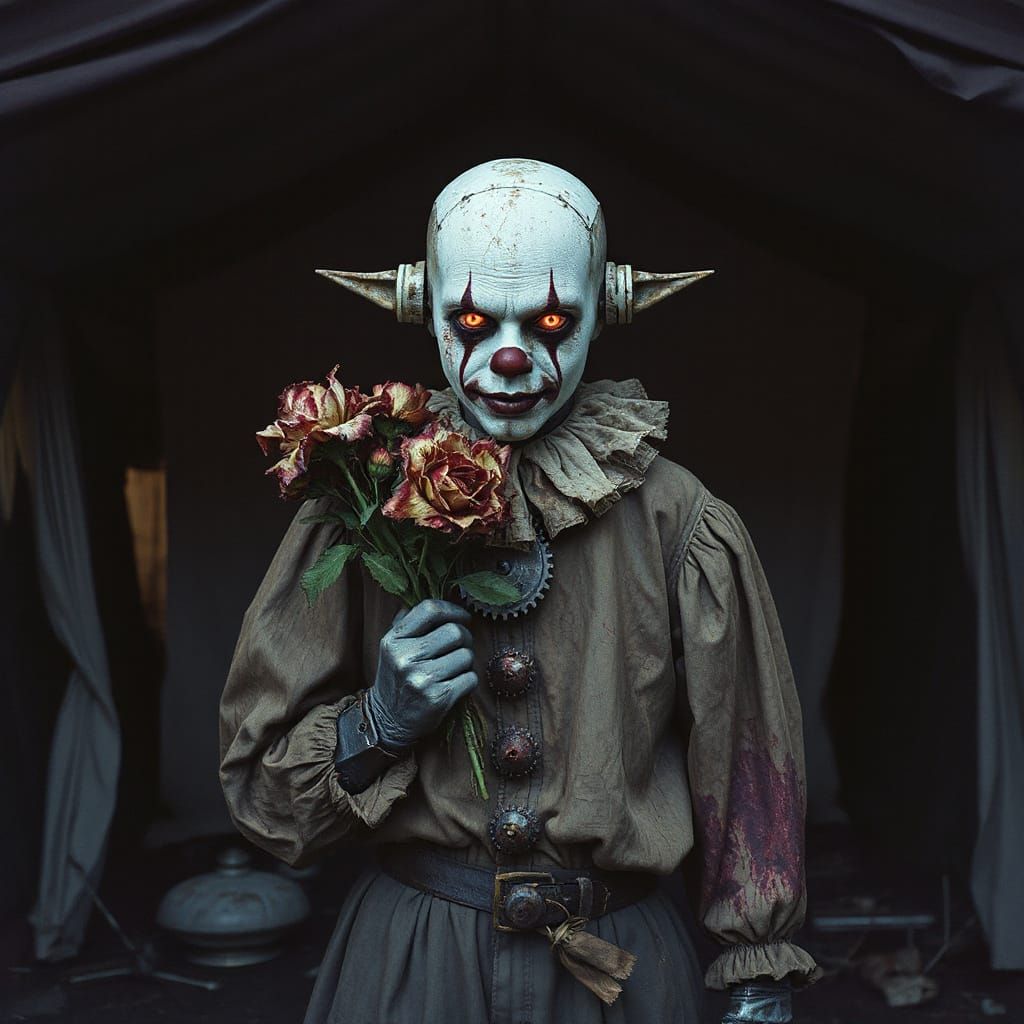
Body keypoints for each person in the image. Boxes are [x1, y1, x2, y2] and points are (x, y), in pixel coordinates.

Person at [219, 158, 818, 1023]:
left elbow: (747, 755)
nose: (508, 358)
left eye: (548, 320)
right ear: (422, 309)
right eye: (471, 319)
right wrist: (377, 724)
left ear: (603, 310)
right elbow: (264, 802)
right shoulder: (356, 502)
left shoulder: (677, 517)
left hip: (619, 976)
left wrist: (758, 977)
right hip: (418, 973)